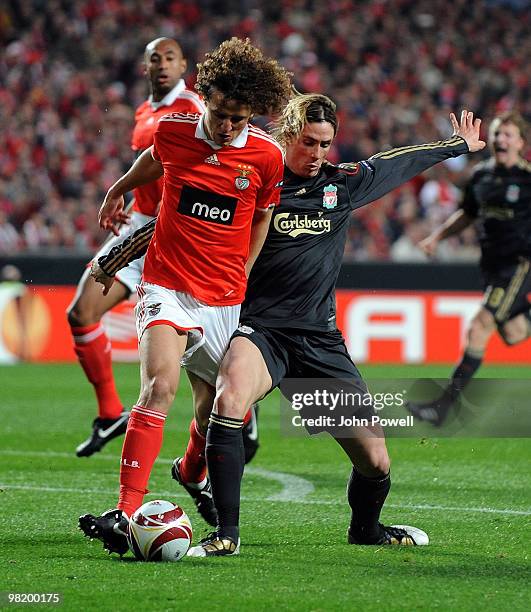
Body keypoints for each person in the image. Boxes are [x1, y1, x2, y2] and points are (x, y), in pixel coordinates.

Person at [89, 95, 485, 556]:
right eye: (309, 143)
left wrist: (456, 145)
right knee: (228, 397)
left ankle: (366, 530)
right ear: (288, 136)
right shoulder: (258, 179)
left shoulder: (342, 184)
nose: (318, 154)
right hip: (260, 330)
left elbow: (397, 164)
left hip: (317, 340)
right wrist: (113, 256)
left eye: (326, 144)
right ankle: (226, 535)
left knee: (375, 461)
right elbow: (174, 221)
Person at [79, 38, 292, 554]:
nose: (226, 126)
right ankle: (125, 510)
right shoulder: (175, 132)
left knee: (223, 412)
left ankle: (190, 471)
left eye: (238, 119)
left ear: (251, 114)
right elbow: (153, 159)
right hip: (167, 286)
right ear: (206, 98)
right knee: (159, 389)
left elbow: (262, 214)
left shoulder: (266, 155)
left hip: (224, 298)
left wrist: (244, 266)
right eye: (220, 114)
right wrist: (119, 188)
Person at [67, 38, 205, 458]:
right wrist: (126, 198)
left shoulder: (193, 109)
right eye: (154, 59)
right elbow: (151, 167)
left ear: (183, 64)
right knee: (81, 313)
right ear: (144, 68)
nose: (162, 65)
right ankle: (110, 413)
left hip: (176, 230)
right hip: (141, 224)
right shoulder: (145, 112)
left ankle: (234, 425)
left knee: (202, 353)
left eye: (169, 58)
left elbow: (196, 167)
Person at [407, 111, 530, 426]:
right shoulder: (481, 177)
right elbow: (466, 215)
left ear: (521, 143)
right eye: (498, 133)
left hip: (519, 265)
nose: (501, 139)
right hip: (492, 267)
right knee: (514, 333)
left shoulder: (527, 180)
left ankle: (443, 407)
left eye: (508, 135)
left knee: (479, 327)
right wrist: (437, 237)